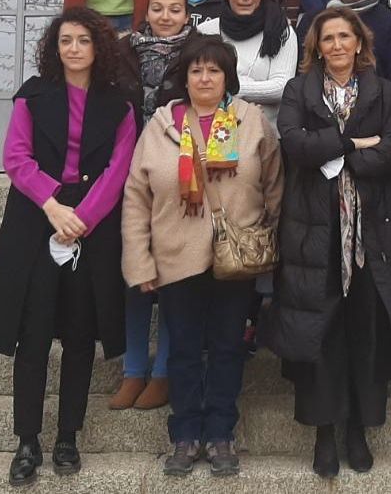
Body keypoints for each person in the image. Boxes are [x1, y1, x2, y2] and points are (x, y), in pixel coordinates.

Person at [261, 7, 391, 478]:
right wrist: (354, 143)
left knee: (366, 329)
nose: (337, 45)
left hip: (374, 229)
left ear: (360, 43)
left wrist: (332, 146)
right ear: (317, 45)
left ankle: (358, 427)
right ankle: (323, 433)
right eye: (328, 38)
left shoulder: (384, 90)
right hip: (316, 230)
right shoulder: (300, 90)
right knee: (321, 332)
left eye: (345, 37)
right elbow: (295, 146)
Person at [0, 7, 137, 486]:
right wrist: (53, 207)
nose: (73, 49)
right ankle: (27, 440)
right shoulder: (32, 95)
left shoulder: (122, 103)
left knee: (81, 333)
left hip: (93, 221)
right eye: (65, 41)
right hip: (35, 216)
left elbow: (119, 167)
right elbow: (16, 157)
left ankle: (68, 436)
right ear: (55, 47)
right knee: (33, 332)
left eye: (83, 41)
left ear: (97, 47)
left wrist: (82, 217)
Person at [122, 34, 284, 477]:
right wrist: (140, 261)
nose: (205, 77)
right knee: (184, 351)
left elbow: (274, 184)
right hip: (176, 257)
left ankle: (220, 433)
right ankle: (184, 434)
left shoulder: (249, 121)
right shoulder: (161, 126)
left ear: (227, 76)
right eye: (197, 70)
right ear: (185, 77)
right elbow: (136, 197)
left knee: (230, 348)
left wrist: (264, 236)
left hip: (235, 259)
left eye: (214, 70)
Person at [109, 0, 195, 412]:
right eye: (158, 8)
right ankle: (133, 370)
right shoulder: (123, 51)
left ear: (186, 13)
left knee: (174, 275)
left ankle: (163, 372)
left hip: (175, 171)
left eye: (174, 9)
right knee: (134, 273)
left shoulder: (199, 52)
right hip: (126, 170)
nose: (165, 16)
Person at [197, 0, 296, 126]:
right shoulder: (205, 31)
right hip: (211, 129)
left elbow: (282, 86)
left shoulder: (281, 32)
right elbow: (196, 80)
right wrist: (253, 88)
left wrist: (234, 87)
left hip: (265, 132)